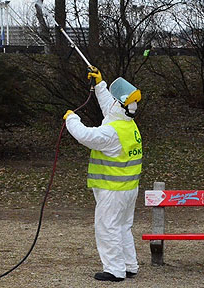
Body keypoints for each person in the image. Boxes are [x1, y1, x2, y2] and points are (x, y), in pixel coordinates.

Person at [63, 66, 142, 282]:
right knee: (123, 227)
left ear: (121, 106)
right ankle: (129, 265)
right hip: (128, 189)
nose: (114, 103)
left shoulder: (111, 132)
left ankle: (114, 270)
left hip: (112, 190)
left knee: (107, 228)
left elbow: (85, 135)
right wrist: (100, 85)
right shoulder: (128, 124)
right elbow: (110, 106)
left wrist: (72, 119)